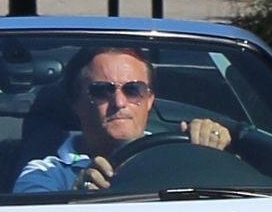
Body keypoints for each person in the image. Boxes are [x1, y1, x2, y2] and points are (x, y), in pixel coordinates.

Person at [13, 45, 232, 194]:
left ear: (149, 100)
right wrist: (75, 198)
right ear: (74, 101)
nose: (119, 102)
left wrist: (212, 149)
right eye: (101, 91)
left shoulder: (180, 155)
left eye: (133, 90)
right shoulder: (46, 173)